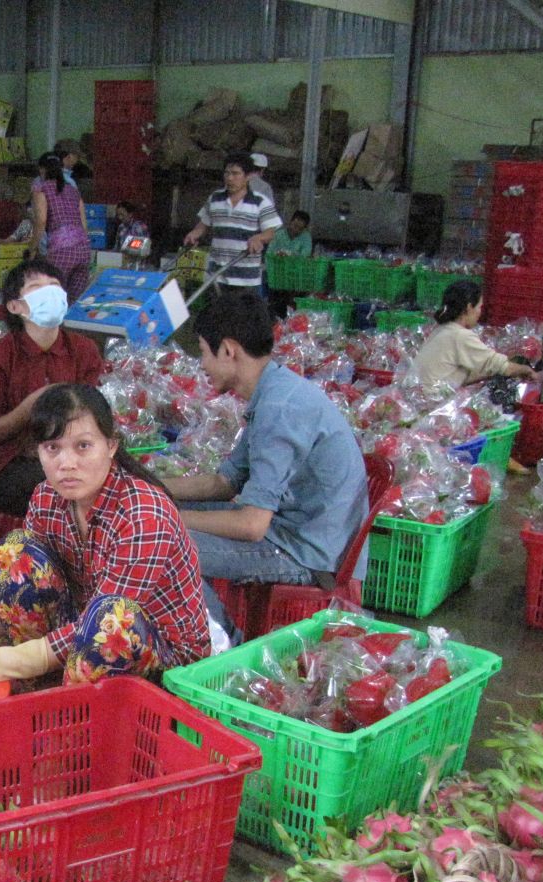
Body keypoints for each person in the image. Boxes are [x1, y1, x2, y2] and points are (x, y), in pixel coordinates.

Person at [0, 384, 212, 700]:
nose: (66, 464)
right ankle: (45, 683)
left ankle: (69, 700)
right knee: (14, 555)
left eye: (83, 446)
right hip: (84, 635)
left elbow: (104, 622)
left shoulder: (143, 514)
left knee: (111, 618)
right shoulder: (47, 498)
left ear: (110, 447)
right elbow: (16, 582)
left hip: (165, 660)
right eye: (52, 448)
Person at [161, 292, 368, 641]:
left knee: (164, 547)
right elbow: (224, 483)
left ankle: (228, 649)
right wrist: (151, 487)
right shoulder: (274, 390)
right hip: (294, 529)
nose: (202, 365)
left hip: (305, 552)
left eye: (203, 352)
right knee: (167, 520)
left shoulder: (280, 408)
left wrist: (168, 517)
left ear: (228, 350)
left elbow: (252, 524)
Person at [0, 258, 105, 521]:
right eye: (37, 287)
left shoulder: (84, 350)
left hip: (75, 452)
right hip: (16, 459)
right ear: (15, 306)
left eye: (55, 286)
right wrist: (34, 404)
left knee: (125, 480)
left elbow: (92, 415)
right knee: (54, 490)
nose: (50, 292)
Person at [415, 280, 540, 391]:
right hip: (430, 403)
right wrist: (527, 370)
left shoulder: (442, 330)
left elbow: (455, 376)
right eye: (480, 307)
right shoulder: (460, 335)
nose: (480, 313)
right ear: (469, 307)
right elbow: (502, 366)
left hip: (416, 397)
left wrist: (489, 372)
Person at [181, 154, 281, 294]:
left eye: (235, 174)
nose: (229, 178)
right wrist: (194, 234)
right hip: (217, 276)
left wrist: (258, 238)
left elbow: (270, 232)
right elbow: (203, 225)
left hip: (247, 278)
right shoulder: (215, 199)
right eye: (227, 173)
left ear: (247, 177)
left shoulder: (261, 202)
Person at [30, 148, 91, 302]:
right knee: (73, 301)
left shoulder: (41, 189)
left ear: (42, 170)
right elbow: (84, 225)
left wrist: (32, 248)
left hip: (61, 251)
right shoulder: (73, 190)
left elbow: (41, 221)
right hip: (83, 251)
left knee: (53, 297)